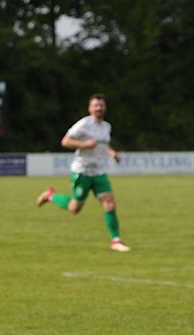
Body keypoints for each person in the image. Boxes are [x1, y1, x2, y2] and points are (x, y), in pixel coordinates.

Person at [35, 93, 130, 252]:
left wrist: (112, 153)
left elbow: (102, 145)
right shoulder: (83, 124)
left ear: (105, 107)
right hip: (82, 171)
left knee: (109, 203)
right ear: (90, 108)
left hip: (99, 171)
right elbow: (65, 141)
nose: (99, 108)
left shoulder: (106, 126)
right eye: (96, 105)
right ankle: (50, 195)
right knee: (74, 209)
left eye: (101, 105)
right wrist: (84, 144)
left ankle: (116, 240)